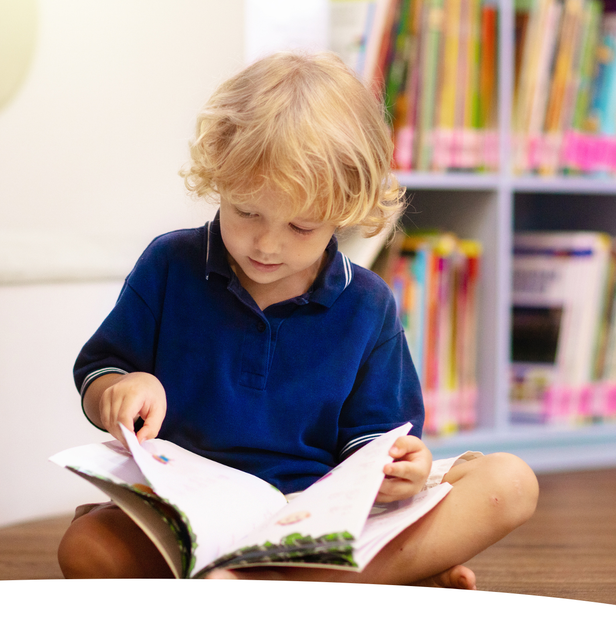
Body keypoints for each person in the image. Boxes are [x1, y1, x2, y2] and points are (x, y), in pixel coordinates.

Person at [56, 52, 538, 588]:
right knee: (87, 550)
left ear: (347, 210)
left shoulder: (368, 304)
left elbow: (376, 443)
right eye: (246, 212)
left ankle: (269, 582)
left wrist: (401, 471)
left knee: (509, 483)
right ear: (219, 177)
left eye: (302, 227)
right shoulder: (169, 266)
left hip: (320, 521)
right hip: (190, 517)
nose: (267, 244)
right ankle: (368, 582)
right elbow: (99, 372)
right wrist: (120, 390)